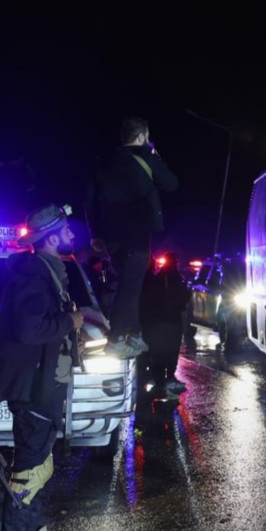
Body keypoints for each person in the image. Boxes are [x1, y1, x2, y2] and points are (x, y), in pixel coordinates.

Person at [0, 204, 82, 531]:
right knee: (26, 474)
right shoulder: (31, 271)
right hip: (33, 390)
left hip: (45, 387)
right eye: (67, 230)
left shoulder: (47, 270)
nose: (74, 235)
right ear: (52, 238)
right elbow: (29, 329)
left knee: (38, 468)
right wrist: (70, 322)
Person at [86, 116, 179, 358]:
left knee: (129, 285)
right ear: (141, 137)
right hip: (136, 233)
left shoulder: (103, 162)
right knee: (130, 288)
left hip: (111, 237)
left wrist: (95, 233)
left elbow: (89, 200)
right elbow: (171, 184)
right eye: (146, 137)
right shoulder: (145, 157)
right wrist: (155, 155)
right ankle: (117, 338)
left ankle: (134, 334)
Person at [139, 251, 191, 400]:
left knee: (160, 350)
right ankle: (165, 378)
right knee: (170, 350)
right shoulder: (174, 278)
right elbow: (183, 297)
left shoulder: (157, 278)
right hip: (171, 320)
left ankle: (160, 379)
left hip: (158, 321)